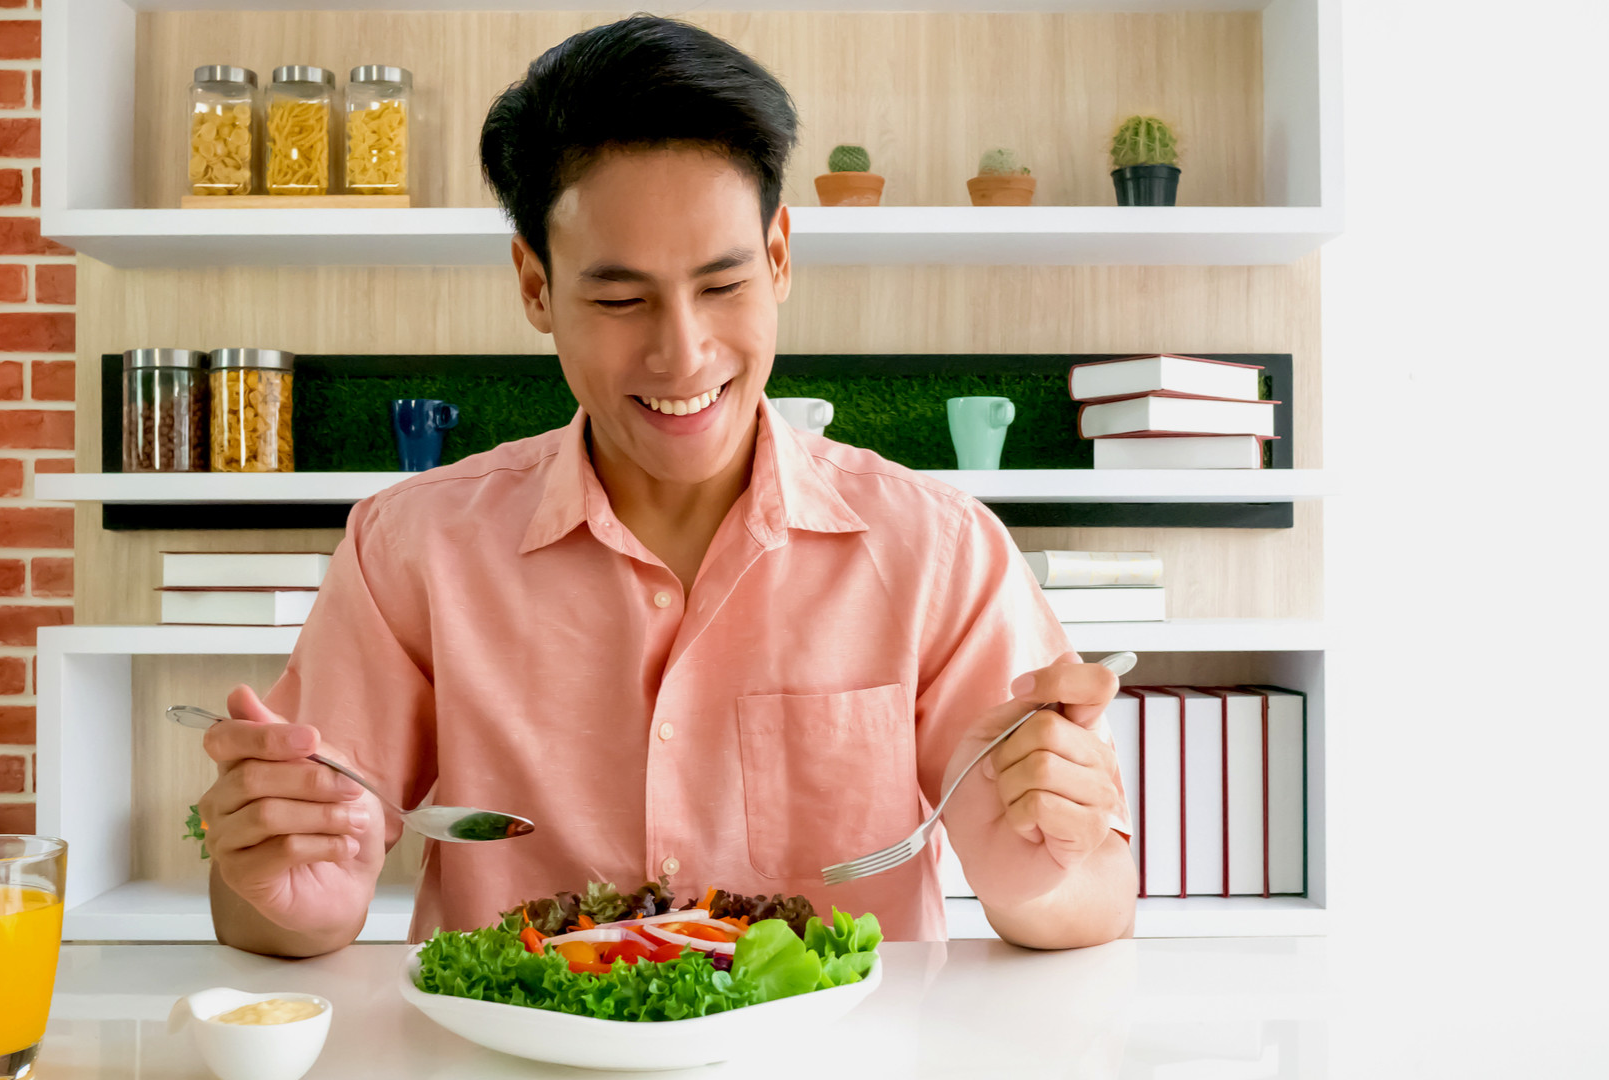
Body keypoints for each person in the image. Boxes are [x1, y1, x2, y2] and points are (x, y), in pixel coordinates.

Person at [195, 15, 1137, 958]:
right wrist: (283, 890)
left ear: (778, 256)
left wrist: (1045, 860)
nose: (681, 353)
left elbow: (1087, 902)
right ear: (535, 285)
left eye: (722, 286)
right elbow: (287, 904)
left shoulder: (939, 550)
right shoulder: (410, 549)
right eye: (617, 299)